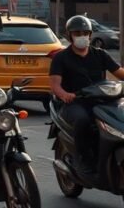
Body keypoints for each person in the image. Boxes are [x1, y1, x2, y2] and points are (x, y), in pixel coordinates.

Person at [50, 15, 124, 177]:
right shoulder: (61, 58)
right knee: (83, 121)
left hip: (102, 100)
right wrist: (65, 95)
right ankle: (82, 160)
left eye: (85, 32)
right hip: (75, 103)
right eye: (77, 33)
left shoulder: (100, 54)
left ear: (90, 35)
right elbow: (55, 85)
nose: (82, 36)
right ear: (70, 35)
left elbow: (119, 73)